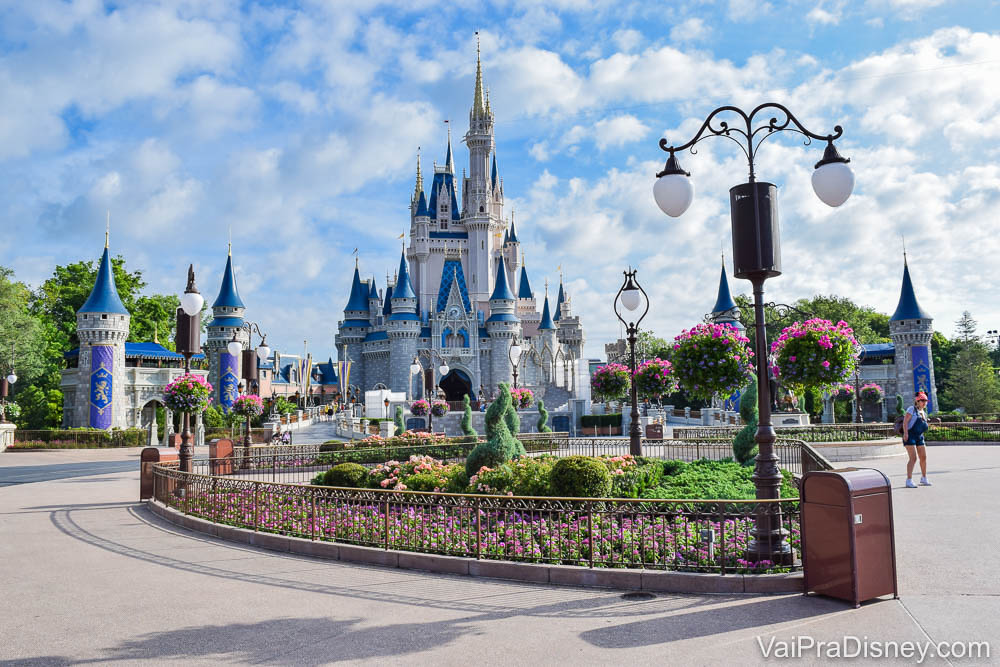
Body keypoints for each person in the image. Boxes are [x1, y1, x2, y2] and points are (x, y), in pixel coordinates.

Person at [902, 391, 931, 488]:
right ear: (917, 401)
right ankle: (909, 480)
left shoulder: (924, 412)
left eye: (926, 400)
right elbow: (905, 422)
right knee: (913, 458)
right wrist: (905, 433)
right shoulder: (912, 409)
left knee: (923, 457)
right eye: (922, 400)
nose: (924, 402)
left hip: (919, 436)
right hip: (910, 436)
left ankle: (924, 478)